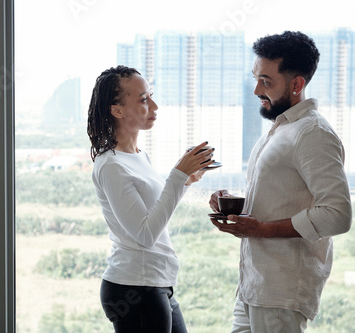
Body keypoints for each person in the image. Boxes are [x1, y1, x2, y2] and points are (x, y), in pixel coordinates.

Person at [209, 31, 352, 333]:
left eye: (266, 81)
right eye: (255, 78)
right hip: (252, 286)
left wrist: (261, 230)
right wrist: (235, 206)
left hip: (281, 292)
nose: (256, 90)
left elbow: (338, 215)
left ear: (297, 84)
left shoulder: (313, 133)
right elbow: (279, 198)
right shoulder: (281, 129)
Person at [87, 65, 214, 333]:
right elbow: (145, 235)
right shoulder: (111, 165)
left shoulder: (138, 156)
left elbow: (155, 214)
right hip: (134, 287)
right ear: (117, 110)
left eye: (151, 96)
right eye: (144, 99)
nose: (154, 106)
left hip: (156, 282)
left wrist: (186, 180)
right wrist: (178, 175)